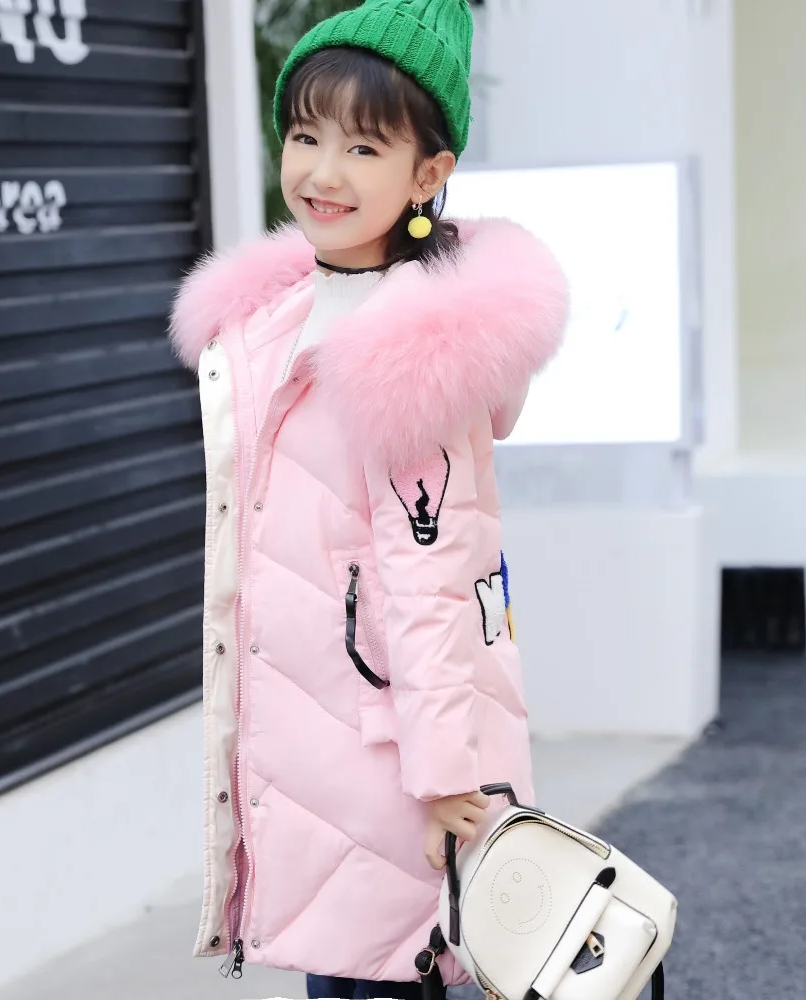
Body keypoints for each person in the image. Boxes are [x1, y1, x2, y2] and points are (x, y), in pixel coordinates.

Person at [169, 1, 569, 997]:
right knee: (341, 971)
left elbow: (432, 576)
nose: (323, 172)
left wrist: (444, 777)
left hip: (397, 757)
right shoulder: (274, 319)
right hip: (312, 749)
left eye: (362, 147)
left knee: (390, 971)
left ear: (428, 174)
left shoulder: (413, 343)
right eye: (306, 136)